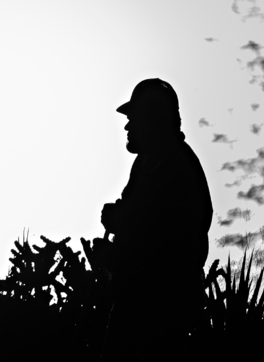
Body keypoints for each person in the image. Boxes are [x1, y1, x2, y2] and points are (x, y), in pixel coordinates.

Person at [97, 79, 212, 361]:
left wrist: (121, 229)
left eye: (133, 118)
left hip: (160, 308)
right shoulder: (149, 162)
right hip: (135, 300)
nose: (127, 126)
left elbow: (169, 243)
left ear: (152, 120)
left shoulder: (178, 168)